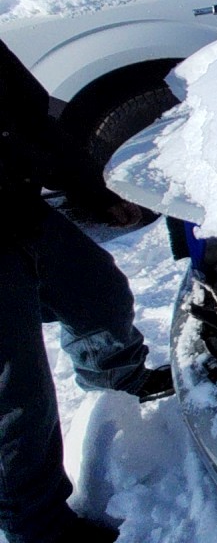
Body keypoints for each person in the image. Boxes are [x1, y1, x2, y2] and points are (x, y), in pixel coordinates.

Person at [1, 41, 174, 543]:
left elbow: (30, 117)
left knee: (99, 294)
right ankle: (37, 526)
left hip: (17, 209)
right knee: (16, 392)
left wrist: (91, 191)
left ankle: (118, 381)